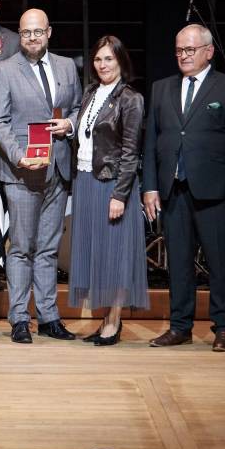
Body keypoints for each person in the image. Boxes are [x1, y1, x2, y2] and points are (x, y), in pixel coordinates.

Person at [143, 24, 225, 352]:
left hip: (215, 192)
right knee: (177, 263)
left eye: (189, 50)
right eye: (179, 50)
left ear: (208, 51)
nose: (183, 56)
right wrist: (150, 187)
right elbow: (151, 142)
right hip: (173, 190)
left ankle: (224, 327)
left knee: (220, 263)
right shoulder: (161, 88)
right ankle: (180, 326)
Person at [0, 8, 82, 344]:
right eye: (26, 32)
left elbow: (78, 108)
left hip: (58, 168)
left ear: (49, 33)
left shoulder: (67, 66)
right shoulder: (4, 70)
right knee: (21, 248)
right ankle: (18, 318)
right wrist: (19, 156)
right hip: (21, 172)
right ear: (20, 34)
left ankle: (48, 317)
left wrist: (69, 124)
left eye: (38, 31)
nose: (32, 37)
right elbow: (0, 122)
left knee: (48, 249)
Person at [69, 36, 148, 346]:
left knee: (115, 255)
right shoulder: (90, 92)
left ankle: (114, 321)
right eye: (98, 59)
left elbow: (130, 152)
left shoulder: (131, 98)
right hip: (86, 180)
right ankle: (105, 318)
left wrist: (120, 195)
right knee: (97, 253)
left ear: (121, 62)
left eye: (109, 59)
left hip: (112, 184)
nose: (102, 65)